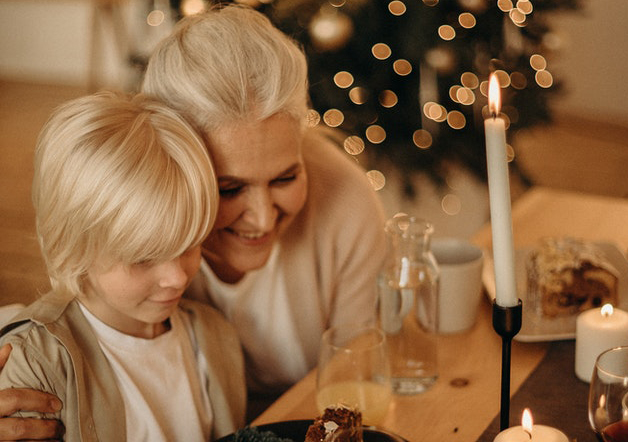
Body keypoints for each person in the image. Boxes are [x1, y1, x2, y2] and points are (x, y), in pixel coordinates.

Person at [0, 4, 386, 438]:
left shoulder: (346, 200)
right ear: (170, 157)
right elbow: (63, 305)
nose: (261, 217)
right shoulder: (119, 226)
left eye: (285, 177)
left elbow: (357, 387)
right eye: (228, 188)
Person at [0, 91, 246, 441]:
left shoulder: (213, 336)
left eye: (190, 244)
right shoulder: (37, 365)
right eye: (143, 258)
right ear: (74, 246)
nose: (176, 278)